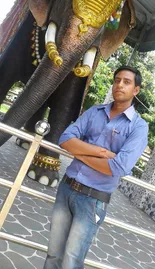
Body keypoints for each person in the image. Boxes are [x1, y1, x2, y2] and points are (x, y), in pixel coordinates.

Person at [43, 65, 148, 269]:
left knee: (71, 261)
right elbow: (65, 138)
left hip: (92, 200)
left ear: (136, 90)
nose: (119, 85)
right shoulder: (94, 112)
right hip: (66, 189)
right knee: (53, 254)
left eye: (126, 82)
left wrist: (80, 152)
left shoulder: (138, 127)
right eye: (117, 80)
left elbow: (118, 168)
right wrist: (101, 153)